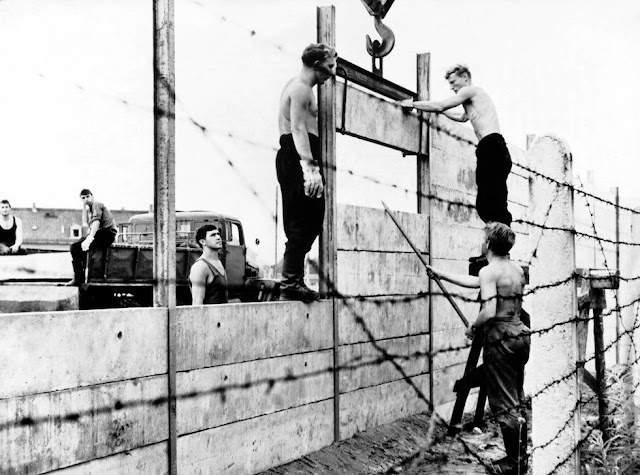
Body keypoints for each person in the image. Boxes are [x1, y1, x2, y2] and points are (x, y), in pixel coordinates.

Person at [426, 222, 530, 474]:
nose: (481, 243)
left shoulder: (489, 272)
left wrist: (473, 328)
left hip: (500, 338)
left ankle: (515, 463)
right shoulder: (516, 269)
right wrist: (440, 273)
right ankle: (521, 457)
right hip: (521, 335)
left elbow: (490, 309)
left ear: (490, 244)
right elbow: (477, 281)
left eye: (484, 239)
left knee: (502, 403)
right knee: (515, 398)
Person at [397, 64, 512, 226]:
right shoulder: (477, 97)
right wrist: (441, 111)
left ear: (465, 78)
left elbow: (441, 105)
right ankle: (502, 236)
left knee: (488, 204)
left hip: (491, 147)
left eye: (453, 82)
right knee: (495, 201)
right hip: (497, 149)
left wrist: (412, 104)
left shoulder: (469, 91)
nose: (451, 87)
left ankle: (498, 238)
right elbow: (463, 117)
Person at [276, 43, 337, 302]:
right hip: (299, 154)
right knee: (307, 219)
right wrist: (309, 168)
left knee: (302, 220)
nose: (333, 72)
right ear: (316, 64)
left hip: (295, 155)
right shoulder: (300, 89)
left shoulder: (297, 84)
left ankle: (294, 280)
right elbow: (299, 129)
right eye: (330, 65)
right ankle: (290, 282)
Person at [66, 189, 117, 286]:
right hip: (104, 233)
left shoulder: (96, 204)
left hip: (106, 233)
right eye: (83, 198)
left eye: (87, 196)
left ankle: (78, 278)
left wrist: (90, 238)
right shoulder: (90, 209)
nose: (86, 199)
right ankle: (84, 275)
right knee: (81, 248)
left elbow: (96, 222)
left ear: (92, 196)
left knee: (75, 247)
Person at [189, 224, 228, 305]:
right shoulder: (200, 267)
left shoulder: (219, 262)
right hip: (208, 317)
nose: (218, 238)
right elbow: (197, 304)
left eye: (218, 234)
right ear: (202, 241)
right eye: (213, 235)